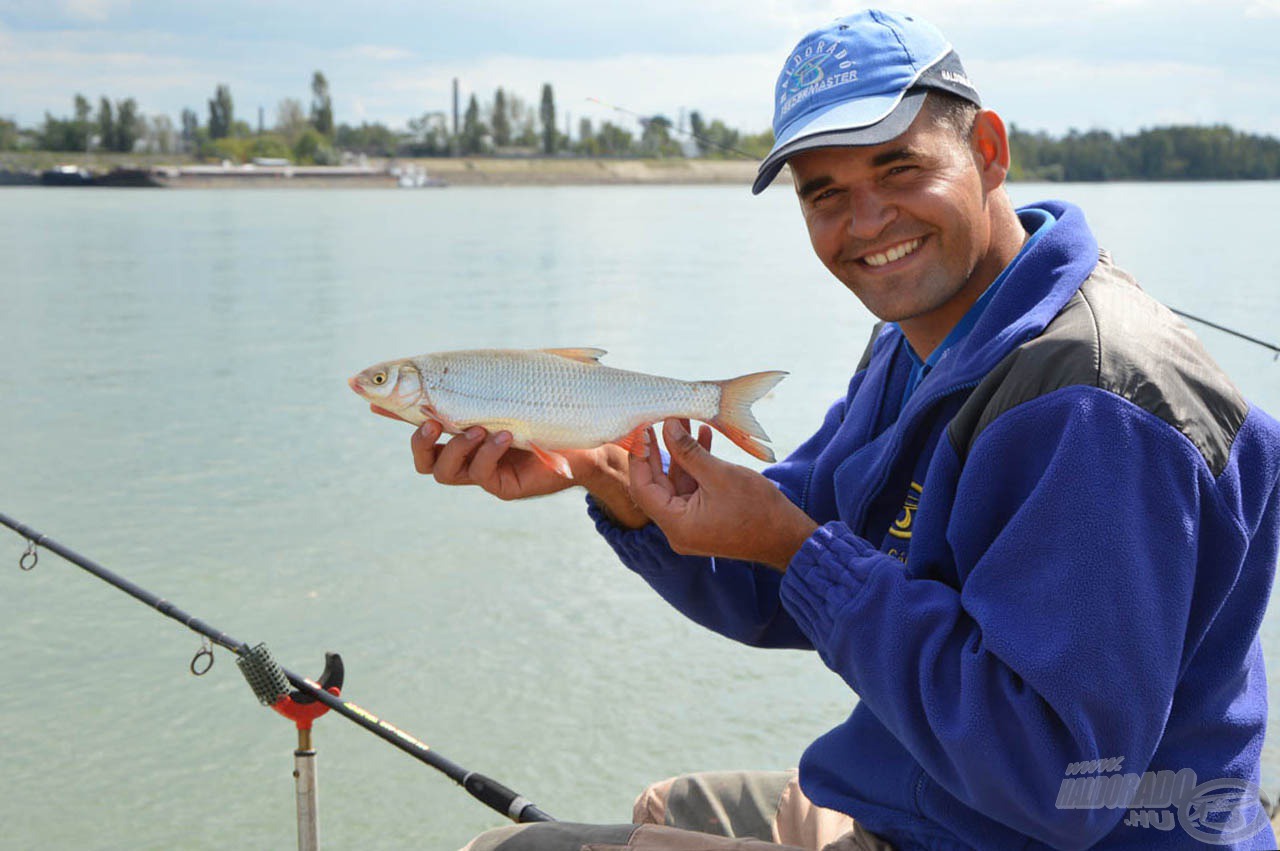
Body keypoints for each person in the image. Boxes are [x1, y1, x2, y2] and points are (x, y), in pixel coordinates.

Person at [389, 10, 1280, 850]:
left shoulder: (1094, 403)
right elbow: (776, 583)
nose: (865, 223)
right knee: (670, 806)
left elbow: (1061, 780)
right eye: (825, 194)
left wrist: (801, 549)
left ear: (990, 151)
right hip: (930, 795)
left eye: (900, 169)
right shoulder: (914, 343)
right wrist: (609, 477)